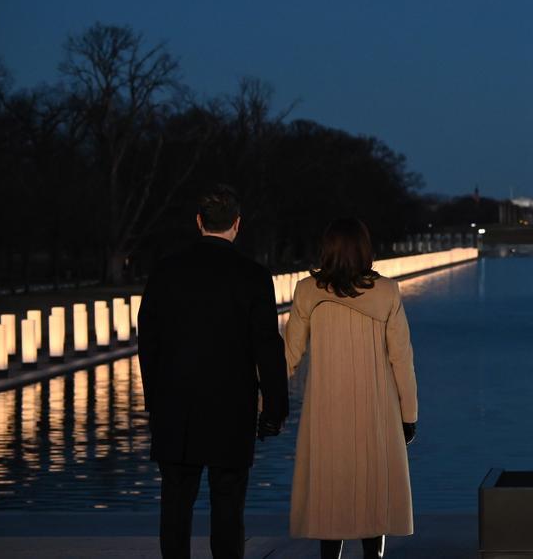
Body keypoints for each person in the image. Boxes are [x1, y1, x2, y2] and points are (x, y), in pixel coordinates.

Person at [137, 184, 289, 559]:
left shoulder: (165, 271)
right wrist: (274, 409)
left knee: (175, 504)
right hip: (231, 406)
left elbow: (148, 341)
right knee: (228, 506)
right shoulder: (253, 276)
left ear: (199, 222)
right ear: (237, 224)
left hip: (176, 404)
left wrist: (154, 400)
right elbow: (267, 347)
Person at [285, 218, 418, 559]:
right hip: (377, 411)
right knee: (374, 497)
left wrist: (261, 400)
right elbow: (401, 360)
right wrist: (409, 415)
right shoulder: (387, 292)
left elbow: (289, 356)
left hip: (326, 411)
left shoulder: (306, 291)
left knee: (330, 497)